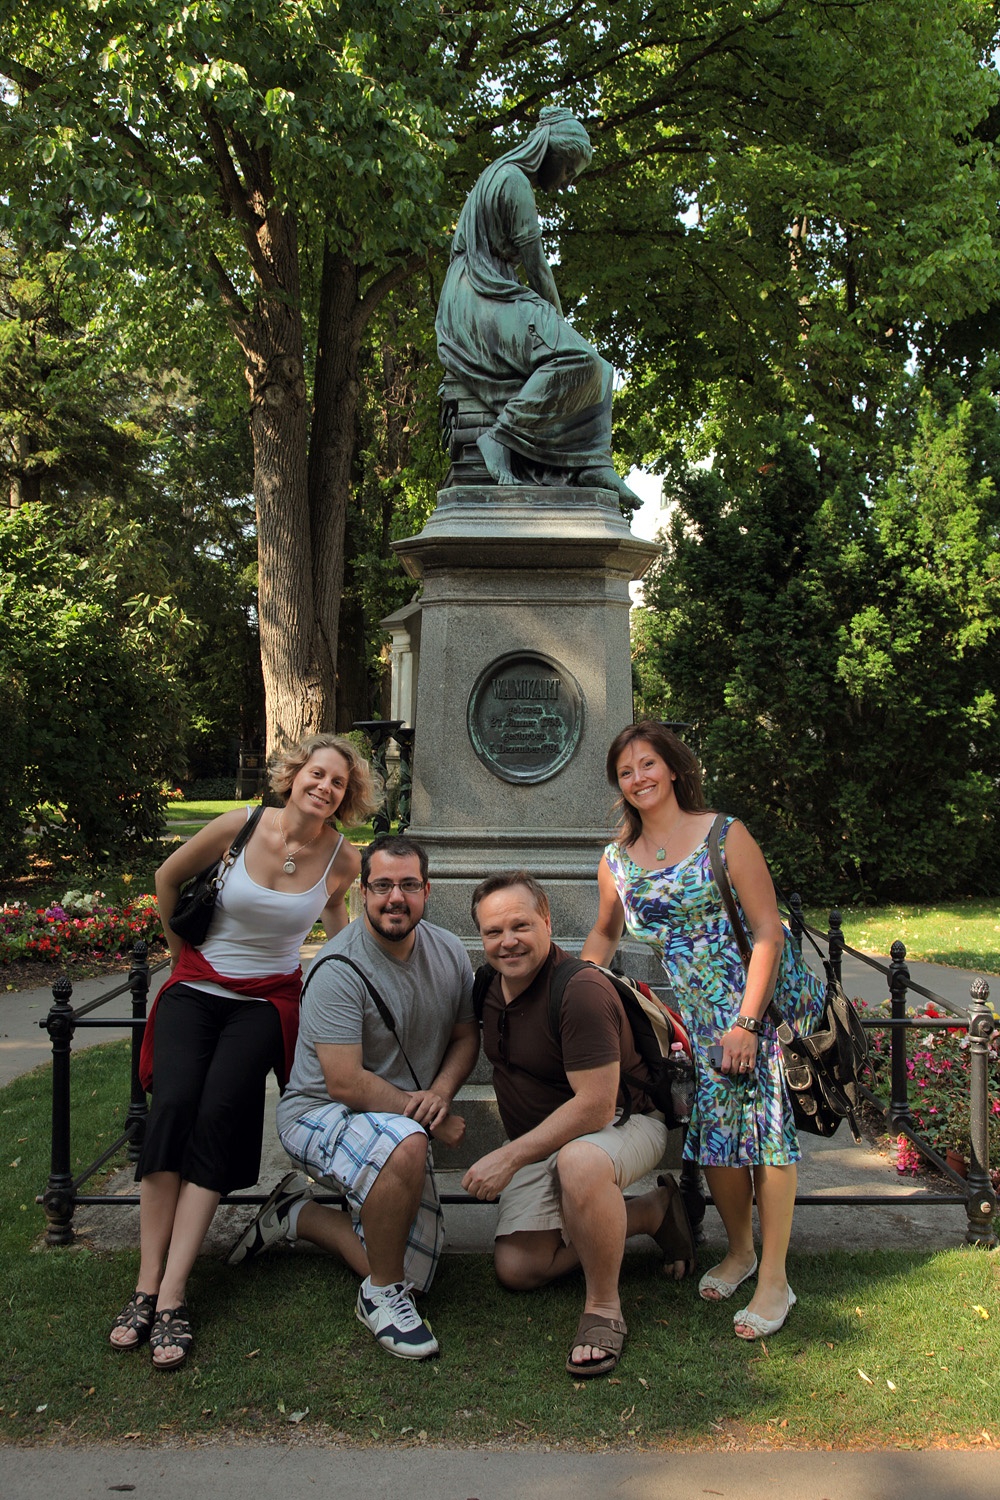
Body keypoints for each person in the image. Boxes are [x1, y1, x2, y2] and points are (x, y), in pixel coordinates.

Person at [109, 733, 377, 1369]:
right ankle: (145, 1286)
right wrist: (180, 958)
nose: (324, 787)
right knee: (171, 1106)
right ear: (294, 775)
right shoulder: (240, 824)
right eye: (317, 774)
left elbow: (337, 920)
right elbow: (168, 877)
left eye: (337, 782)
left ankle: (173, 1295)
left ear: (347, 795)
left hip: (265, 1003)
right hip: (194, 988)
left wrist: (350, 980)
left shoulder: (344, 859)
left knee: (220, 1113)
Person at [581, 722, 825, 1340]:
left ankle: (775, 1278)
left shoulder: (724, 834)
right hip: (701, 1020)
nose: (638, 778)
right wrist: (576, 989)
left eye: (648, 765)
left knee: (767, 1136)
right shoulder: (616, 861)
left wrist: (746, 1021)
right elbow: (607, 933)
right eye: (626, 771)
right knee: (718, 1138)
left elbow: (769, 931)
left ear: (674, 768)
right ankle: (740, 1251)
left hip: (757, 1008)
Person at [227, 835, 479, 1363]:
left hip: (394, 1116)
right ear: (364, 892)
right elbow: (344, 1082)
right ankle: (379, 1298)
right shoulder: (338, 968)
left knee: (420, 1274)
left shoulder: (449, 951)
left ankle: (298, 1216)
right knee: (407, 1146)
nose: (396, 897)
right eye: (382, 885)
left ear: (427, 891)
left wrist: (440, 1093)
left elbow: (465, 1036)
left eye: (408, 885)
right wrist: (427, 1119)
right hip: (319, 1112)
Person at [463, 871, 695, 1380]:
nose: (508, 942)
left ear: (547, 919)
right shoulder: (487, 985)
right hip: (544, 1142)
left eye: (520, 925)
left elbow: (593, 1107)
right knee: (518, 1269)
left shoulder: (580, 990)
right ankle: (652, 1213)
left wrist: (508, 1156)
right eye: (492, 932)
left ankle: (603, 1310)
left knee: (580, 1160)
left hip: (623, 1125)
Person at [435, 105, 639, 505]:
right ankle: (500, 436)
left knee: (597, 368)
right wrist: (559, 325)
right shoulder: (514, 181)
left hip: (488, 294)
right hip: (476, 301)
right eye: (566, 170)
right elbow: (538, 269)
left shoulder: (502, 175)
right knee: (581, 361)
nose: (565, 182)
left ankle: (594, 463)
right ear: (550, 150)